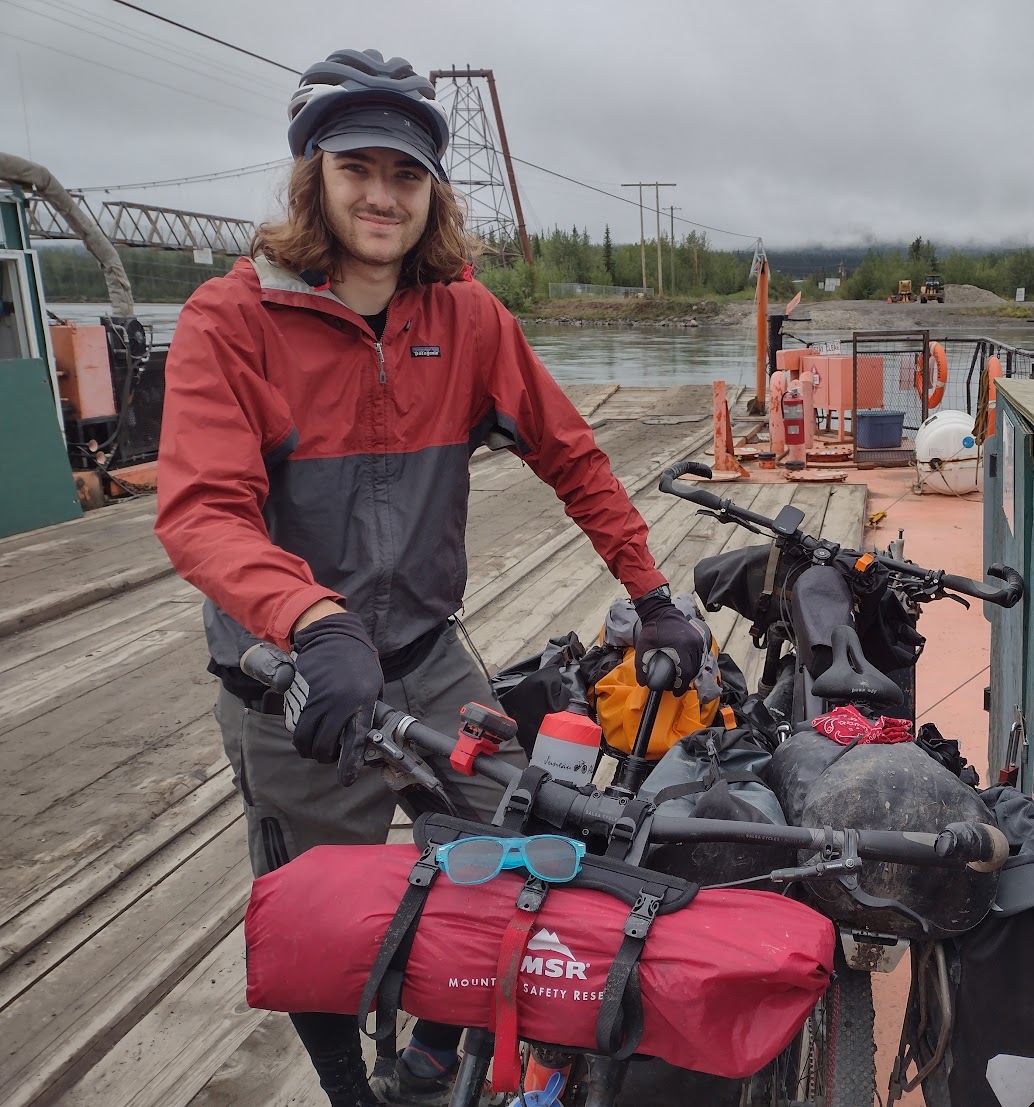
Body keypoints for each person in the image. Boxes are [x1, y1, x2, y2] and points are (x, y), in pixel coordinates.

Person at [153, 48, 706, 1107]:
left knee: (515, 842)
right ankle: (351, 1094)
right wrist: (313, 620)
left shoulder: (467, 319)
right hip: (294, 676)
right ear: (311, 174)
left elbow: (573, 456)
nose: (381, 195)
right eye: (357, 168)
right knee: (315, 916)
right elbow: (203, 513)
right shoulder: (229, 323)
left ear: (432, 192)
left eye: (405, 175)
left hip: (422, 655)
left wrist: (651, 598)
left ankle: (431, 1058)